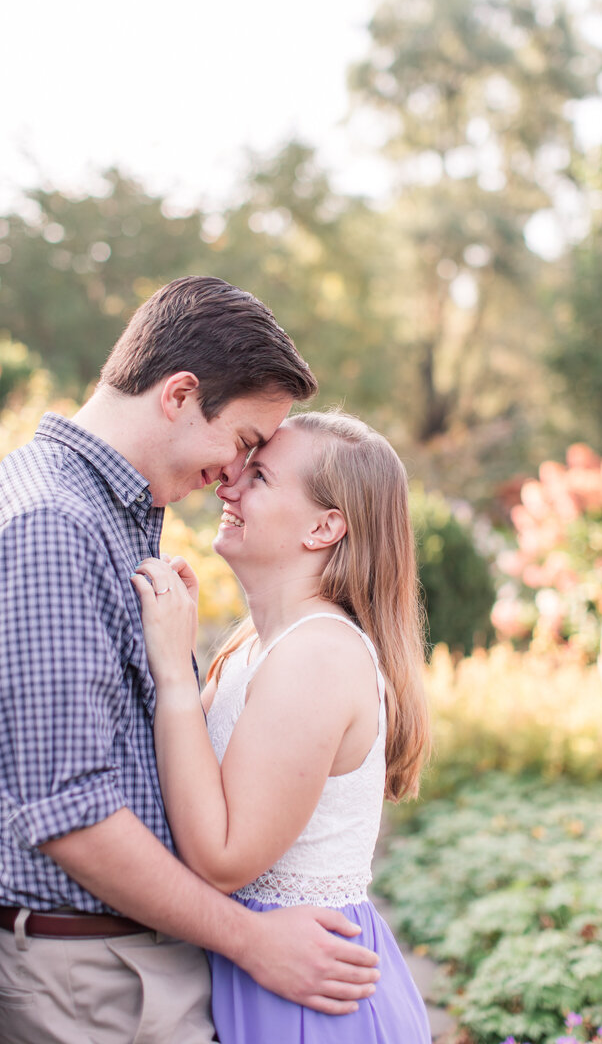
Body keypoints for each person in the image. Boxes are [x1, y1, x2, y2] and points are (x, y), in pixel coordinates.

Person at [0, 277, 382, 1044]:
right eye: (241, 443)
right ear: (179, 394)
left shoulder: (112, 512)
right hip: (92, 985)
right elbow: (71, 815)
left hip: (120, 971)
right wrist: (251, 940)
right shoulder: (51, 528)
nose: (233, 476)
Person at [132, 409, 432, 1043]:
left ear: (325, 527)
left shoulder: (317, 654)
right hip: (262, 975)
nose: (228, 485)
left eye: (259, 476)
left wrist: (175, 675)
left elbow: (221, 859)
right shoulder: (252, 646)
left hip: (309, 1000)